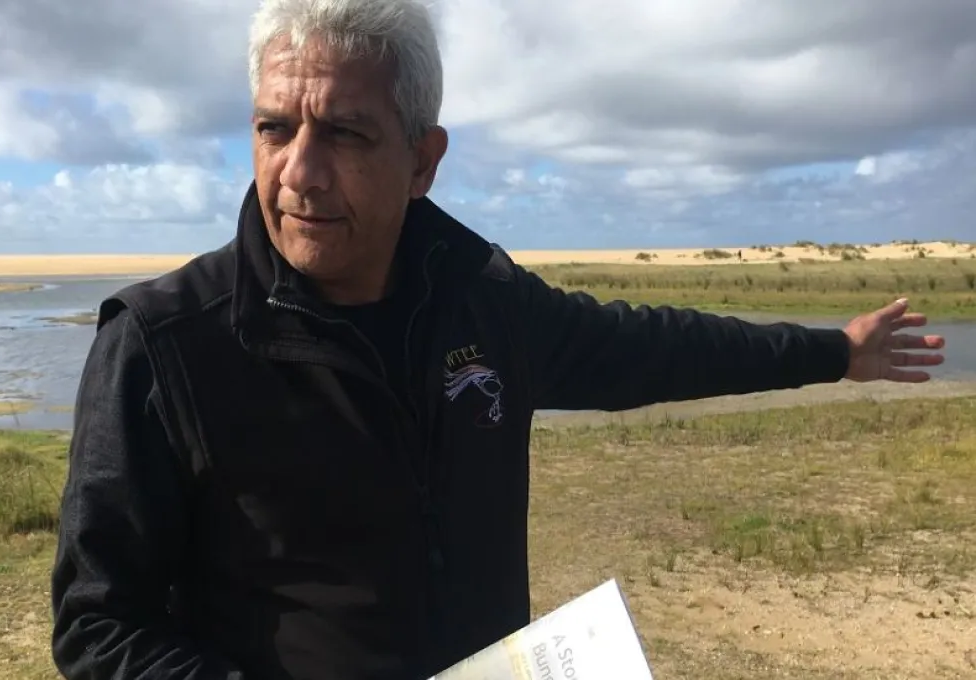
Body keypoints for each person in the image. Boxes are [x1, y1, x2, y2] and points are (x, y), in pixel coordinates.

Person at [49, 0, 946, 678]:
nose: (301, 171)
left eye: (346, 132)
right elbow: (99, 623)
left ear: (423, 160)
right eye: (274, 127)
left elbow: (655, 348)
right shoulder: (163, 344)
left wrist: (834, 351)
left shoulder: (485, 304)